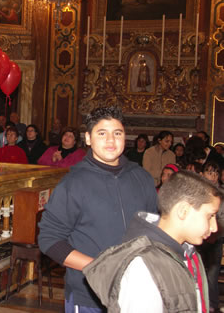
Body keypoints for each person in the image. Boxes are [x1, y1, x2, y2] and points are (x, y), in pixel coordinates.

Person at [38, 106, 158, 312]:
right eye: (102, 133)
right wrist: (99, 267)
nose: (111, 141)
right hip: (88, 295)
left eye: (117, 133)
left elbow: (154, 228)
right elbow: (49, 239)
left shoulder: (142, 178)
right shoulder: (73, 183)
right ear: (88, 139)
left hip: (135, 293)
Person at [84, 170, 223, 313]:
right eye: (210, 216)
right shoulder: (143, 267)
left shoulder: (189, 253)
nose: (214, 227)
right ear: (183, 211)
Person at [198, 161, 223, 312]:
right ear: (202, 174)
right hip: (198, 238)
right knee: (198, 273)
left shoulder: (221, 195)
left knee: (213, 275)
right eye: (210, 172)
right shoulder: (197, 194)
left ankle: (213, 305)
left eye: (216, 173)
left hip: (216, 239)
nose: (213, 176)